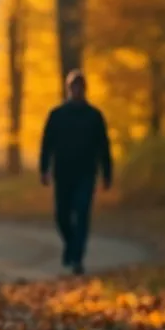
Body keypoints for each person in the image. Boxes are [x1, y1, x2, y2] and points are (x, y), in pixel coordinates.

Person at [38, 70, 112, 275]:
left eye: (80, 87)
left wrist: (107, 174)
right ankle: (71, 247)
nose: (77, 90)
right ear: (68, 89)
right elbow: (47, 144)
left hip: (86, 174)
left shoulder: (94, 116)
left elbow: (104, 147)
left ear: (84, 89)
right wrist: (44, 169)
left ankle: (77, 258)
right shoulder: (57, 115)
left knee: (81, 214)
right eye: (74, 87)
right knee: (61, 216)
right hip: (63, 173)